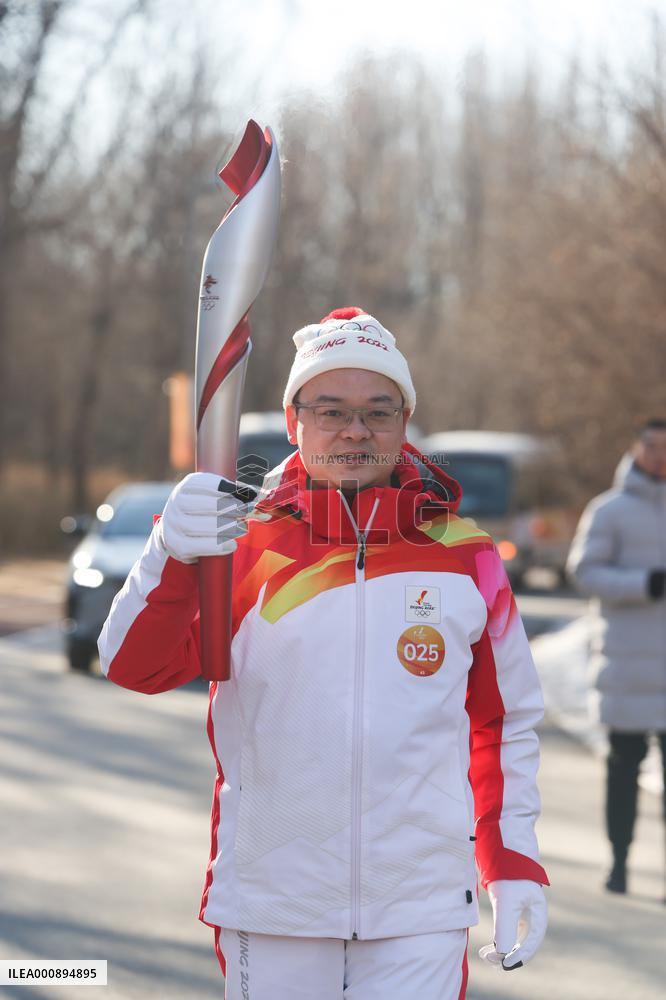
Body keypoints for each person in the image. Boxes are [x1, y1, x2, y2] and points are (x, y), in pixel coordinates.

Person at [98, 307, 549, 999]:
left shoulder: (466, 557)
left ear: (405, 423)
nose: (355, 431)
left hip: (420, 903)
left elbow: (503, 722)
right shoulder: (239, 543)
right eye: (330, 409)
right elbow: (136, 665)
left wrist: (510, 859)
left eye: (379, 410)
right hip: (274, 899)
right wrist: (170, 554)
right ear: (294, 420)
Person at [566, 418, 666, 895]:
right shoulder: (609, 511)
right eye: (652, 447)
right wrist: (643, 585)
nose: (659, 456)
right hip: (627, 664)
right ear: (635, 449)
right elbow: (583, 572)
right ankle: (619, 863)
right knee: (623, 773)